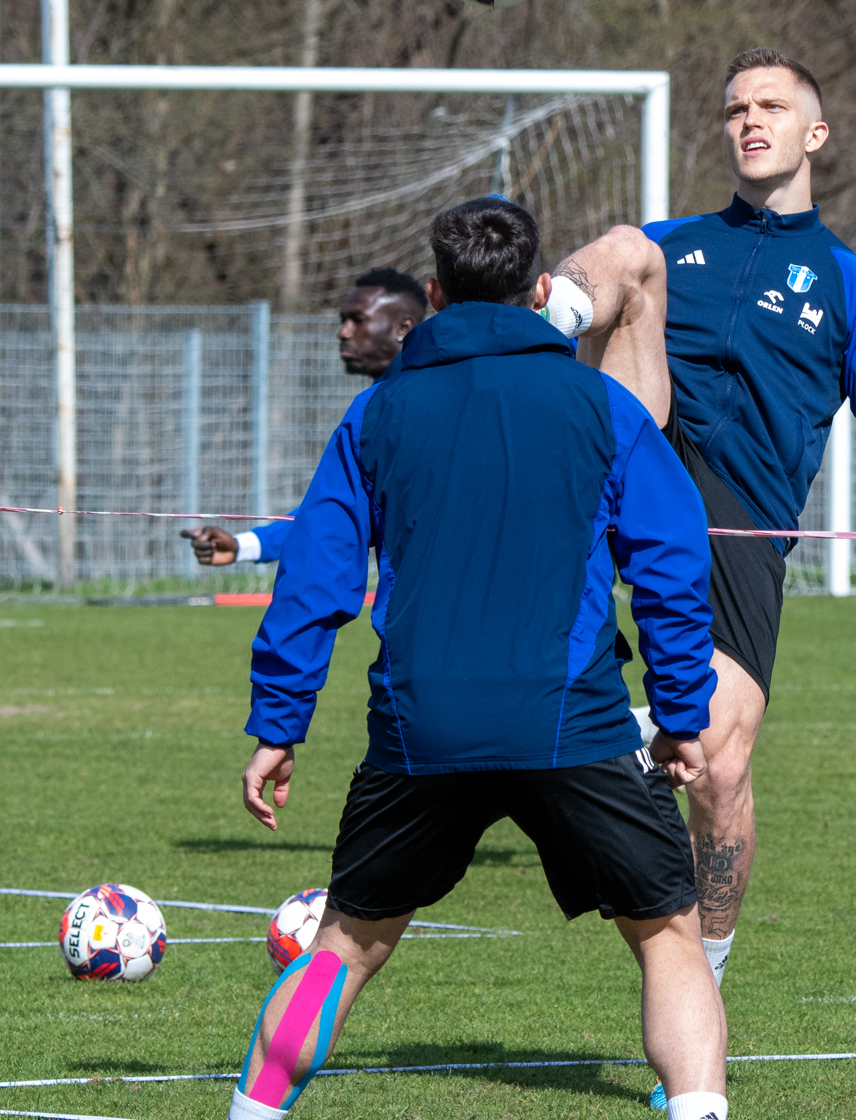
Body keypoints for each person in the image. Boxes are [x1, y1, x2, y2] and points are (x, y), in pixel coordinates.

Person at [228, 198, 730, 1120]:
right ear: (540, 291)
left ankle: (253, 1111)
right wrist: (681, 715)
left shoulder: (377, 413)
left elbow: (314, 578)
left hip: (422, 730)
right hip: (572, 721)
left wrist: (278, 727)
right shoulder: (604, 407)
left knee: (342, 948)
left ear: (433, 295)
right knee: (669, 936)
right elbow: (671, 564)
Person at [542, 48, 856, 1009]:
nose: (749, 120)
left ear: (815, 133)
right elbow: (628, 272)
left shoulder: (855, 288)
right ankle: (528, 325)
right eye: (734, 110)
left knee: (718, 766)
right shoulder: (674, 243)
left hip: (739, 518)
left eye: (771, 106)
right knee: (625, 249)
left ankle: (703, 983)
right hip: (631, 454)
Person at [182, 268, 427, 567]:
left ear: (403, 328)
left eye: (358, 320)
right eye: (343, 320)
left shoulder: (413, 402)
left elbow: (339, 512)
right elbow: (336, 509)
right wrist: (244, 545)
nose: (343, 332)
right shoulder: (384, 399)